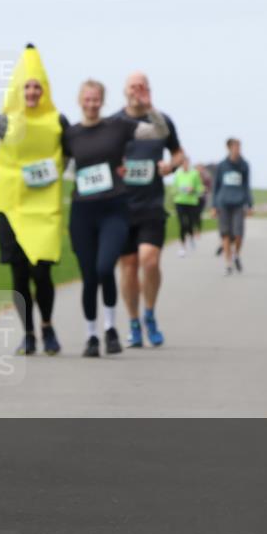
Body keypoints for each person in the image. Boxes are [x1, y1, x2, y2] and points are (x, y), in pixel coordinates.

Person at [0, 45, 67, 357]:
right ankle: (29, 334)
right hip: (11, 208)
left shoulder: (58, 121)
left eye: (37, 87)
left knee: (42, 273)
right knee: (19, 275)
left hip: (44, 210)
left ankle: (47, 326)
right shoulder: (4, 122)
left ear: (44, 90)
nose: (32, 92)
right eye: (27, 87)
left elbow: (82, 147)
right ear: (18, 90)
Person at [64, 80, 169, 357]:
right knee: (88, 276)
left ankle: (111, 328)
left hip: (113, 209)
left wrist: (150, 108)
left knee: (104, 268)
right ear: (79, 100)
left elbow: (160, 131)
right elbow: (57, 166)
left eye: (96, 99)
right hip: (82, 211)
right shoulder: (70, 134)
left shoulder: (118, 126)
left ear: (103, 100)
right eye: (87, 99)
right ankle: (92, 336)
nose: (91, 103)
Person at [114, 72, 184, 348]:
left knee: (150, 260)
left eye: (142, 87)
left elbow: (179, 154)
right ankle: (133, 322)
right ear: (125, 90)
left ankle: (150, 314)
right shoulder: (115, 123)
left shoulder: (161, 122)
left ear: (149, 90)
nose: (137, 91)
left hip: (152, 203)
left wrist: (171, 166)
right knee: (128, 267)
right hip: (121, 205)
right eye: (133, 86)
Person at [212, 138, 253, 275]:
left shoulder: (244, 165)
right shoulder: (222, 165)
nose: (238, 149)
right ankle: (228, 263)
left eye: (239, 147)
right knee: (225, 234)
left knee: (238, 234)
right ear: (229, 148)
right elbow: (216, 186)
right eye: (235, 147)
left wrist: (250, 204)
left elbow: (247, 185)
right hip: (223, 203)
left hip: (239, 203)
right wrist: (214, 205)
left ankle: (236, 255)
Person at [173, 157, 204, 255]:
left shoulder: (194, 173)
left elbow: (200, 187)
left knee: (190, 223)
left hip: (191, 202)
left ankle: (191, 237)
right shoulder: (178, 173)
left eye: (187, 163)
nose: (185, 165)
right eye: (184, 163)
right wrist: (178, 190)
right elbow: (174, 188)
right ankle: (182, 246)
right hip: (179, 201)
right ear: (181, 164)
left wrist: (193, 189)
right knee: (182, 224)